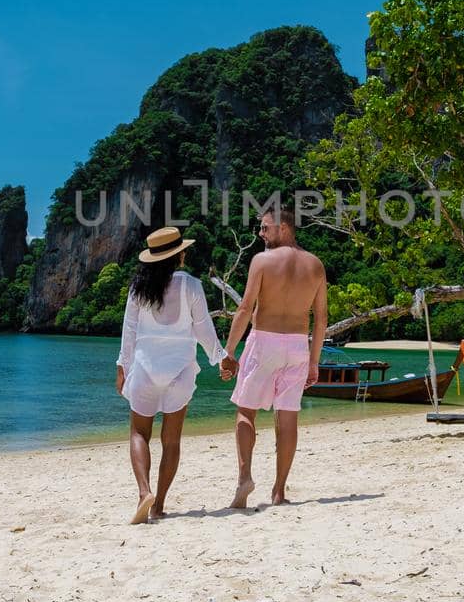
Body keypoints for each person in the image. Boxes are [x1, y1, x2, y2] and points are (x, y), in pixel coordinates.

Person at [115, 225, 227, 525]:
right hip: (179, 370)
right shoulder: (191, 285)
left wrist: (122, 366)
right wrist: (222, 359)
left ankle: (143, 492)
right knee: (171, 440)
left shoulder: (138, 288)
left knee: (139, 433)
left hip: (145, 368)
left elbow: (129, 331)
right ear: (179, 255)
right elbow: (204, 328)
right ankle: (159, 504)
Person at [219, 205, 327, 509]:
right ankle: (279, 491)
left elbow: (244, 309)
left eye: (265, 228)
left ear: (283, 227)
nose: (261, 234)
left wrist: (228, 352)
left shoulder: (262, 261)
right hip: (297, 346)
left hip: (264, 340)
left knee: (245, 410)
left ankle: (245, 477)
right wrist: (315, 362)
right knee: (288, 417)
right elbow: (321, 319)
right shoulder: (316, 265)